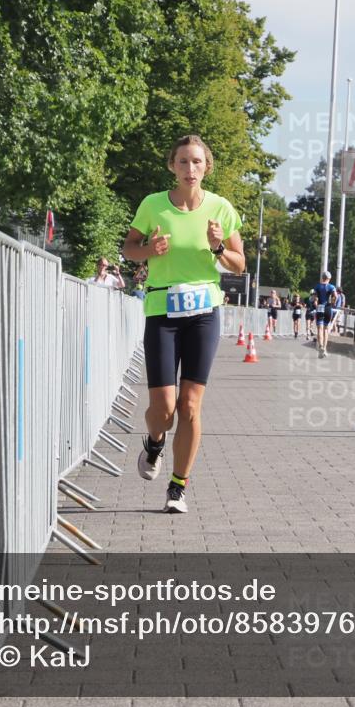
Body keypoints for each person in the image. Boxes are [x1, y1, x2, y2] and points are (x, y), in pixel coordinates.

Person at [122, 134, 245, 513]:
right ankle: (155, 441)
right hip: (162, 310)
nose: (190, 168)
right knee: (163, 408)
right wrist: (149, 250)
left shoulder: (221, 208)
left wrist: (218, 247)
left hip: (204, 312)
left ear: (207, 167)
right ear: (172, 166)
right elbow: (128, 248)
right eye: (183, 162)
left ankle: (178, 487)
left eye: (197, 162)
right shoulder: (153, 205)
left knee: (190, 405)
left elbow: (240, 264)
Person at [312, 271, 338, 358]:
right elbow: (336, 296)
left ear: (322, 277)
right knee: (326, 329)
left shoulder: (317, 286)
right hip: (328, 308)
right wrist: (333, 302)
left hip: (320, 307)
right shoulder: (331, 286)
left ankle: (321, 347)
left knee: (320, 328)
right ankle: (325, 349)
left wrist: (315, 303)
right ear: (329, 278)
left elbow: (314, 298)